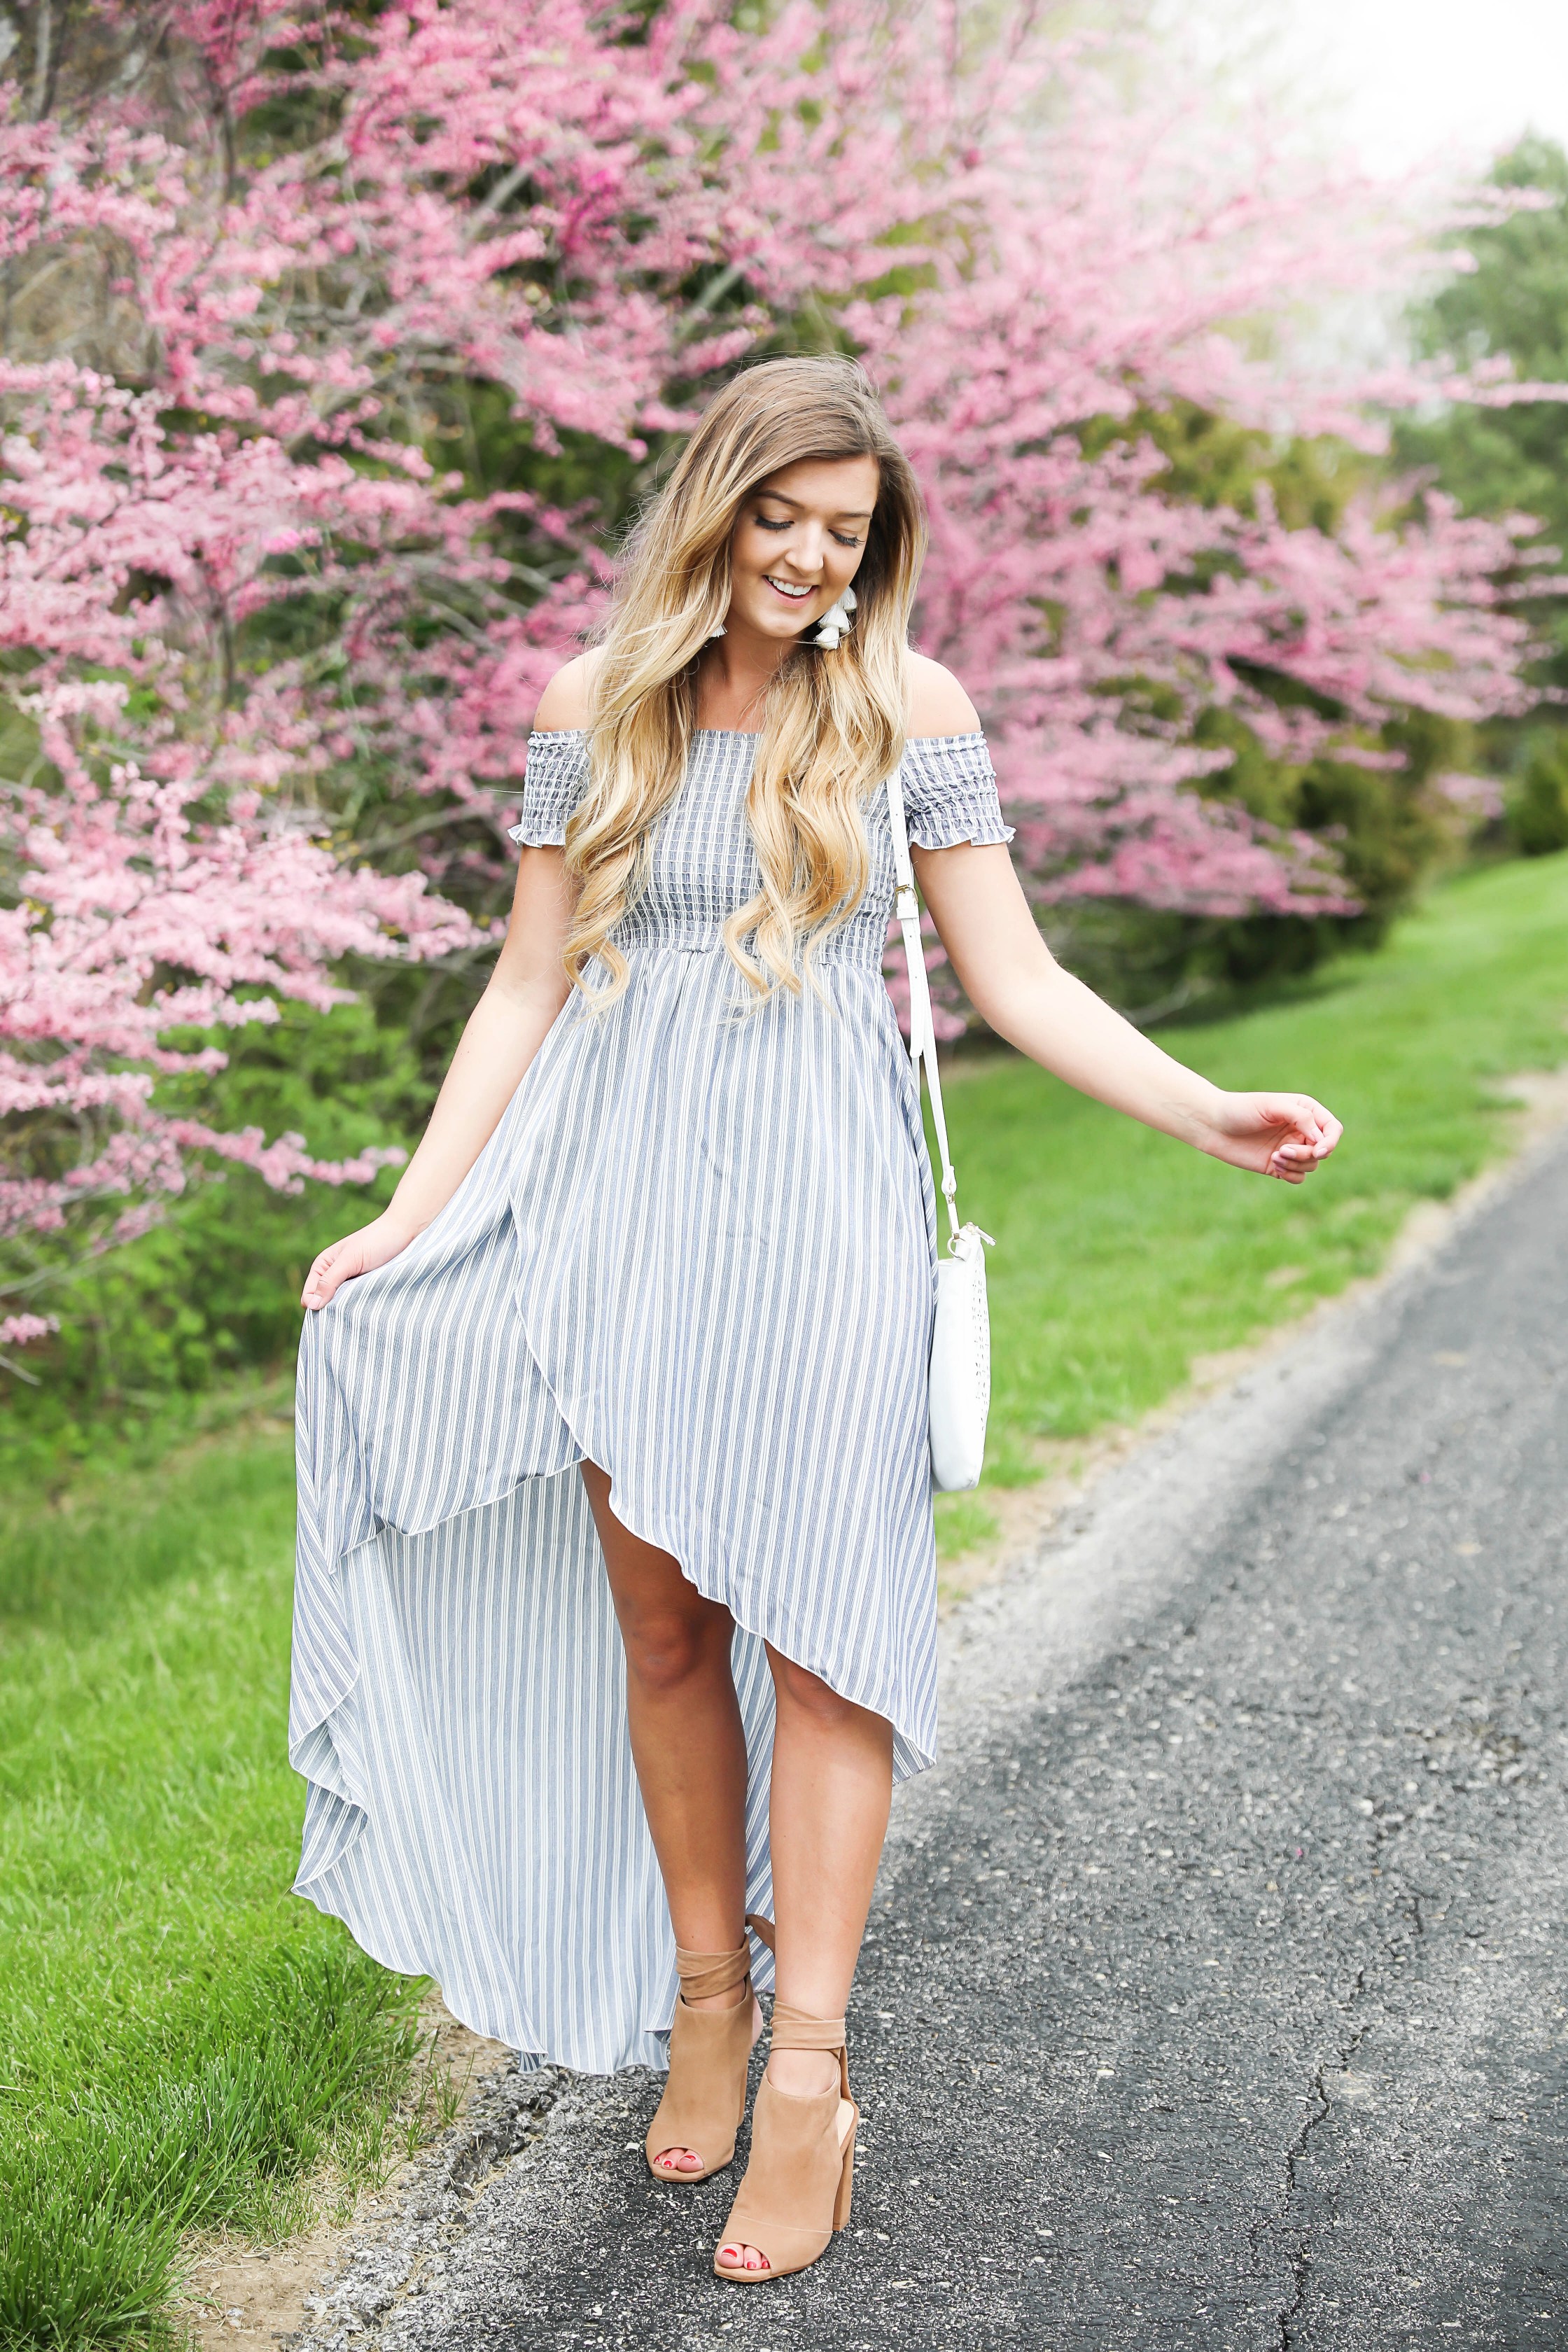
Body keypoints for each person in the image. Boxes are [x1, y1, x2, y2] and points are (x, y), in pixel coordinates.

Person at [290, 355, 1341, 2285]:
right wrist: (406, 1210)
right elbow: (526, 986)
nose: (804, 556)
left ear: (874, 554)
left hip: (819, 1216)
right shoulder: (591, 708)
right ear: (716, 505)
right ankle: (708, 1993)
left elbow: (1010, 976)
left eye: (843, 533)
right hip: (608, 1207)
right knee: (666, 1618)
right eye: (778, 515)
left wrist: (1206, 1109)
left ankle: (808, 2072)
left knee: (828, 1627)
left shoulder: (903, 711)